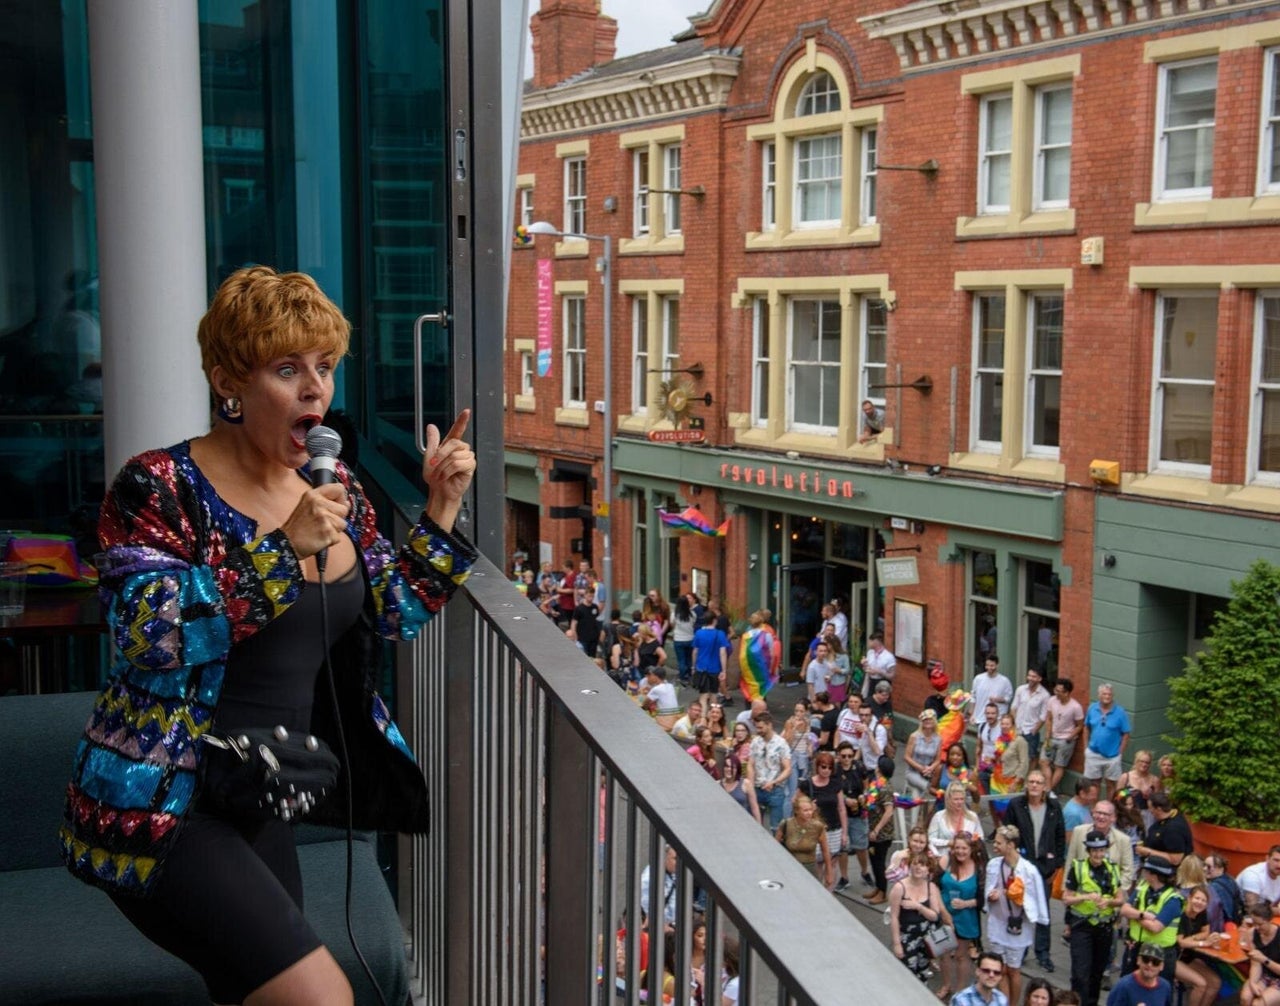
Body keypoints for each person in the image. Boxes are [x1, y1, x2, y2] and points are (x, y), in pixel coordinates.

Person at [59, 266, 479, 1005]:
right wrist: (282, 553)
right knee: (320, 996)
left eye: (325, 366)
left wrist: (441, 507)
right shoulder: (158, 486)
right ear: (229, 381)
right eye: (288, 369)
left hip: (264, 793)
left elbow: (392, 611)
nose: (315, 389)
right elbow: (145, 634)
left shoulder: (332, 484)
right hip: (168, 801)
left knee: (256, 996)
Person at [1005, 769, 1066, 973]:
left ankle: (1043, 953)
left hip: (1045, 867)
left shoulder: (1053, 807)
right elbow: (1007, 834)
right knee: (1019, 908)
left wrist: (1057, 865)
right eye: (1031, 781)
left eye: (1038, 782)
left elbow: (1059, 836)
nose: (1034, 785)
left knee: (1042, 910)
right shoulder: (1016, 805)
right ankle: (1019, 951)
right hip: (1022, 865)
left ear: (1044, 787)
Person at [986, 824, 1050, 1006]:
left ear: (1011, 844)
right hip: (998, 923)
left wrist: (1020, 898)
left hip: (1018, 927)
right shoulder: (994, 864)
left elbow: (1036, 897)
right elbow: (989, 889)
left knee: (1013, 970)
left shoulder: (1028, 870)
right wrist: (991, 896)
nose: (995, 846)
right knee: (1000, 969)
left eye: (999, 843)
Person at [1063, 829, 1125, 1006]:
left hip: (1104, 927)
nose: (1098, 854)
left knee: (1097, 974)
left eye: (1101, 850)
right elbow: (1066, 898)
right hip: (1082, 925)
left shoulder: (1112, 869)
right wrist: (1085, 897)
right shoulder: (1078, 867)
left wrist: (1109, 903)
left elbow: (1120, 899)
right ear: (1088, 851)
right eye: (1094, 851)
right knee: (1080, 973)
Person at [1117, 856, 1184, 983]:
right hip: (1136, 948)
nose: (1143, 874)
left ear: (1154, 876)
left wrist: (1135, 916)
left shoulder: (1173, 899)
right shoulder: (1142, 888)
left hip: (1159, 955)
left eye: (1146, 871)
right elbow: (1124, 910)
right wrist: (1142, 915)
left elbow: (1156, 927)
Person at [890, 850, 948, 983]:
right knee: (906, 975)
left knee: (923, 972)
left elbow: (935, 916)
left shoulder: (931, 887)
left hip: (927, 938)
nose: (918, 867)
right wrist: (897, 944)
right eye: (915, 864)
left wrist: (918, 906)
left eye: (922, 865)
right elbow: (894, 917)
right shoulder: (899, 888)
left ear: (928, 869)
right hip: (907, 938)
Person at [939, 831, 984, 1002]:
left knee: (961, 955)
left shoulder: (979, 868)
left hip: (966, 917)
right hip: (944, 916)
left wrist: (967, 904)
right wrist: (942, 912)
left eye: (964, 848)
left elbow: (982, 897)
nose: (960, 852)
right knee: (943, 953)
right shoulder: (946, 861)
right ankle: (945, 985)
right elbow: (933, 886)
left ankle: (960, 989)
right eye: (957, 848)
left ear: (971, 849)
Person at [802, 751, 848, 892]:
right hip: (815, 831)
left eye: (829, 767)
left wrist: (844, 833)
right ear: (817, 767)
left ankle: (829, 894)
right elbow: (796, 805)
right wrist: (809, 807)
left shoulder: (835, 785)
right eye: (823, 767)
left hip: (834, 829)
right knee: (817, 863)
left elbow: (841, 809)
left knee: (832, 863)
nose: (826, 770)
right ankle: (816, 893)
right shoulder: (807, 784)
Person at [1173, 884, 1224, 1006]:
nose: (1199, 903)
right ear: (1189, 898)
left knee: (1216, 983)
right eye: (1197, 898)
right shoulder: (1181, 915)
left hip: (1188, 957)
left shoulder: (1201, 913)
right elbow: (1181, 942)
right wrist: (1202, 943)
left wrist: (1192, 938)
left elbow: (1206, 932)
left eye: (1203, 901)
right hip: (1173, 957)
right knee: (1201, 984)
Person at [835, 740, 874, 896]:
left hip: (858, 813)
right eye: (843, 756)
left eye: (850, 756)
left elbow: (867, 785)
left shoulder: (859, 767)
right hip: (841, 814)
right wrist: (845, 799)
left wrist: (864, 796)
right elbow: (833, 789)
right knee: (842, 847)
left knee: (861, 846)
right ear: (838, 756)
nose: (847, 759)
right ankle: (844, 877)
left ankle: (864, 872)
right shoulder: (835, 770)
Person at [1082, 684, 1131, 801]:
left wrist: (1120, 753)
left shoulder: (1120, 712)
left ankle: (1109, 807)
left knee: (1111, 785)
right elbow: (1086, 727)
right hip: (1093, 753)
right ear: (1099, 695)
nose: (1107, 696)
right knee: (1094, 784)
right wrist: (1086, 748)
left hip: (1112, 755)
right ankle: (1094, 809)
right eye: (1104, 694)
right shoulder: (1092, 708)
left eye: (1109, 694)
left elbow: (1126, 734)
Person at [776, 793, 832, 888]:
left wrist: (829, 873)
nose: (809, 813)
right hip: (789, 868)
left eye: (810, 810)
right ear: (797, 811)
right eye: (805, 810)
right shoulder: (786, 824)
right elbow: (774, 848)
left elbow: (825, 851)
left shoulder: (817, 826)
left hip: (809, 868)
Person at [1041, 677, 1084, 793]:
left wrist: (1070, 736)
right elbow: (1049, 718)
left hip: (1066, 740)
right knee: (1044, 761)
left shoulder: (1076, 707)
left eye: (1060, 691)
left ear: (1067, 693)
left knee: (1059, 765)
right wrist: (1048, 733)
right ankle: (1047, 788)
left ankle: (1048, 790)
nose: (1057, 693)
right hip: (1052, 737)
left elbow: (1080, 725)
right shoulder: (1052, 700)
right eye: (1056, 690)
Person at [749, 712, 791, 830]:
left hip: (775, 790)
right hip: (757, 788)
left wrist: (774, 782)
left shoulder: (781, 743)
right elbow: (750, 764)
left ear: (769, 725)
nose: (758, 730)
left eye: (761, 727)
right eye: (757, 727)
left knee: (776, 828)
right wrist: (750, 785)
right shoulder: (756, 741)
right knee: (755, 825)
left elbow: (788, 769)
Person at [930, 782, 982, 866]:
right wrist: (948, 843)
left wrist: (971, 843)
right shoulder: (938, 817)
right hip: (945, 861)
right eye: (956, 799)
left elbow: (980, 838)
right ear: (948, 800)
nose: (959, 802)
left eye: (962, 799)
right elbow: (930, 840)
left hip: (968, 860)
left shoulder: (973, 817)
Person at [1136, 792, 1193, 868]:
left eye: (1150, 808)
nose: (1149, 810)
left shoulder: (1173, 829)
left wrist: (1148, 852)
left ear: (1158, 809)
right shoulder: (1167, 818)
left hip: (1168, 873)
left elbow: (1176, 860)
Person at [691, 611, 731, 715]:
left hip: (701, 668)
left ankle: (702, 718)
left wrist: (693, 666)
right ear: (714, 621)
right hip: (715, 668)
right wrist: (724, 670)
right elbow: (723, 653)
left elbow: (695, 651)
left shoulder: (699, 633)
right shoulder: (720, 634)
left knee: (703, 696)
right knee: (714, 695)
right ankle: (712, 718)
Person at [1241, 899, 1280, 1006]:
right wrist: (1253, 983)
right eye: (1254, 924)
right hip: (1264, 974)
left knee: (1258, 1004)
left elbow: (1261, 959)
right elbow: (1255, 963)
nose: (1257, 927)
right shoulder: (1252, 933)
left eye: (1260, 924)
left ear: (1270, 920)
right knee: (1245, 998)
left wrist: (1265, 960)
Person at [1105, 945, 1172, 1006]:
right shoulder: (1124, 986)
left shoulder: (1165, 987)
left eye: (1155, 962)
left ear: (1162, 966)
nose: (1149, 965)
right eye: (1146, 960)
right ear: (1138, 960)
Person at [1010, 668, 1050, 764]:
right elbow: (1013, 707)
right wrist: (1015, 724)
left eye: (1034, 676)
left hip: (1031, 731)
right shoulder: (1020, 689)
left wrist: (1035, 729)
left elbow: (1043, 716)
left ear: (1039, 679)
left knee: (1031, 757)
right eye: (1029, 675)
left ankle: (1028, 777)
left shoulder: (1045, 695)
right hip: (1018, 730)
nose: (1030, 678)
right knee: (1015, 755)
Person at [1114, 750, 1161, 827]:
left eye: (1147, 762)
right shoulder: (1126, 777)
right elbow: (1117, 798)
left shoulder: (1154, 780)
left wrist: (1151, 796)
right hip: (1129, 814)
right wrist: (1130, 791)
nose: (1144, 764)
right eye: (1142, 761)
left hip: (1148, 816)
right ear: (1136, 761)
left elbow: (1158, 801)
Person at [905, 708, 944, 797]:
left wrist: (930, 768)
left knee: (939, 780)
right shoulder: (914, 736)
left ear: (934, 721)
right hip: (913, 771)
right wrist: (920, 768)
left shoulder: (938, 739)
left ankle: (923, 805)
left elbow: (938, 759)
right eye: (925, 719)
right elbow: (906, 757)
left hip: (928, 772)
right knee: (924, 787)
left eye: (930, 719)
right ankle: (934, 792)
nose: (927, 721)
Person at [640, 845, 679, 931]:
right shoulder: (650, 876)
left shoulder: (673, 873)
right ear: (664, 857)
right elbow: (646, 910)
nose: (679, 862)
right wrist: (663, 926)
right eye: (675, 859)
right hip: (657, 929)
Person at [972, 657, 1014, 728]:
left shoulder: (1005, 681)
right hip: (980, 718)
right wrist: (972, 715)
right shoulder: (978, 679)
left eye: (992, 665)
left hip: (998, 719)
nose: (989, 668)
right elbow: (973, 697)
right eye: (987, 665)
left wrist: (998, 699)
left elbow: (1009, 698)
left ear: (997, 665)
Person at [720, 755, 761, 824]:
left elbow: (754, 808)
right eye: (727, 766)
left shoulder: (746, 784)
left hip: (742, 824)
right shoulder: (717, 784)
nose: (729, 769)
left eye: (733, 767)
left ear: (738, 769)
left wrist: (760, 830)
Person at [1206, 854, 1244, 925]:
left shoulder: (1215, 887)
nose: (1204, 869)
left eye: (1208, 867)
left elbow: (1227, 910)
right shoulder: (1230, 880)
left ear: (1220, 869)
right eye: (1203, 865)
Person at [640, 665, 681, 733]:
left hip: (665, 720)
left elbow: (646, 703)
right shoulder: (670, 686)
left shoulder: (656, 689)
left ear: (655, 677)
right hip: (676, 717)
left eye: (652, 675)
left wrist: (643, 708)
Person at [671, 593, 698, 686]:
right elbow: (693, 624)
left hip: (678, 639)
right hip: (690, 639)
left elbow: (672, 624)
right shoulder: (692, 614)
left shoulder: (674, 614)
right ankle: (690, 675)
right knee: (689, 659)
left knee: (681, 660)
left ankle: (683, 677)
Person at [860, 632, 896, 698]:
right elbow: (866, 668)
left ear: (877, 642)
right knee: (869, 700)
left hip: (882, 683)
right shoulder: (870, 652)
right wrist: (864, 665)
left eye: (870, 641)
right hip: (870, 681)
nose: (869, 643)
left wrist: (880, 672)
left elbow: (892, 676)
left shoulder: (889, 657)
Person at [804, 639, 838, 704]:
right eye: (821, 651)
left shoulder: (826, 663)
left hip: (825, 696)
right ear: (816, 652)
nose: (823, 653)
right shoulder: (812, 666)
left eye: (825, 651)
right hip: (816, 698)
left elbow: (829, 675)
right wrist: (813, 700)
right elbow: (810, 685)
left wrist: (829, 678)